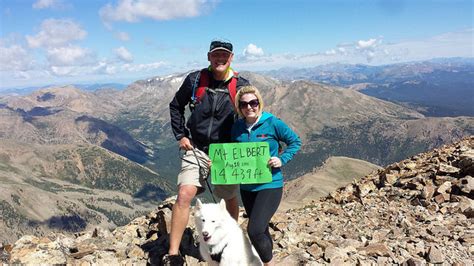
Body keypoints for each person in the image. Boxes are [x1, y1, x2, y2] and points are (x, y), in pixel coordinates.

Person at [166, 40, 250, 265]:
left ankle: (229, 244)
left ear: (231, 58)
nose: (220, 58)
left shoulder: (241, 84)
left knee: (229, 197)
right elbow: (176, 106)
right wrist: (180, 135)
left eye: (224, 55)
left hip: (226, 152)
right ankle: (173, 254)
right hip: (197, 149)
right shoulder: (195, 80)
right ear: (209, 57)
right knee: (184, 194)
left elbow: (252, 114)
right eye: (216, 55)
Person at [231, 85, 301, 266]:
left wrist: (282, 159)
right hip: (247, 187)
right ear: (239, 107)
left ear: (259, 103)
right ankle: (268, 259)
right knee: (262, 230)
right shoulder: (237, 127)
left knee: (254, 230)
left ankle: (269, 264)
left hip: (270, 184)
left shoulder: (272, 123)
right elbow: (231, 154)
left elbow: (295, 141)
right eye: (244, 104)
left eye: (253, 103)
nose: (249, 107)